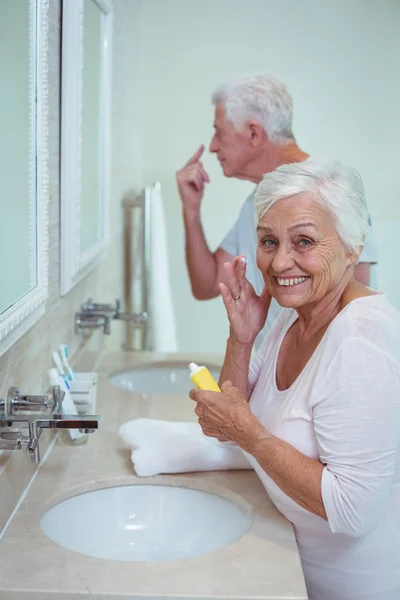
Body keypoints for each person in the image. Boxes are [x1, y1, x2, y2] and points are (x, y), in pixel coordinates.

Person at [189, 157, 400, 600]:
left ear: (354, 245)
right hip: (292, 569)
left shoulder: (361, 343)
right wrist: (242, 338)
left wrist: (253, 436)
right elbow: (228, 424)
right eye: (269, 240)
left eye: (304, 241)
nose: (281, 261)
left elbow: (352, 510)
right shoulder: (291, 315)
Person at [176, 74, 378, 339]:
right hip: (276, 375)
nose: (213, 146)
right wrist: (191, 211)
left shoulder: (330, 191)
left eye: (219, 133)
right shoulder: (255, 204)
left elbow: (354, 310)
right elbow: (207, 285)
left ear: (253, 133)